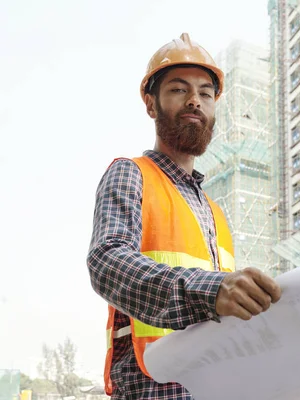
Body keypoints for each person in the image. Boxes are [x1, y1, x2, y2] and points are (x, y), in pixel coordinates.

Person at [86, 33, 282, 399]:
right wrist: (211, 291)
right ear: (151, 103)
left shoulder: (214, 213)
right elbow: (107, 260)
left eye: (206, 93)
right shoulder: (132, 174)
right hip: (152, 389)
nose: (195, 100)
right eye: (178, 89)